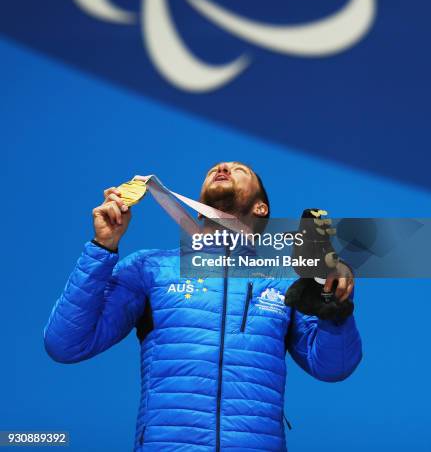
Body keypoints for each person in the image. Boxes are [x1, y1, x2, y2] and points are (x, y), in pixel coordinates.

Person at [44, 161, 362, 451]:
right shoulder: (149, 268)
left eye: (241, 170)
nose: (223, 167)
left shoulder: (282, 281)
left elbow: (333, 367)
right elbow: (67, 344)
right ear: (197, 209)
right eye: (215, 169)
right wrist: (103, 246)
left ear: (261, 207)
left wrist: (332, 302)